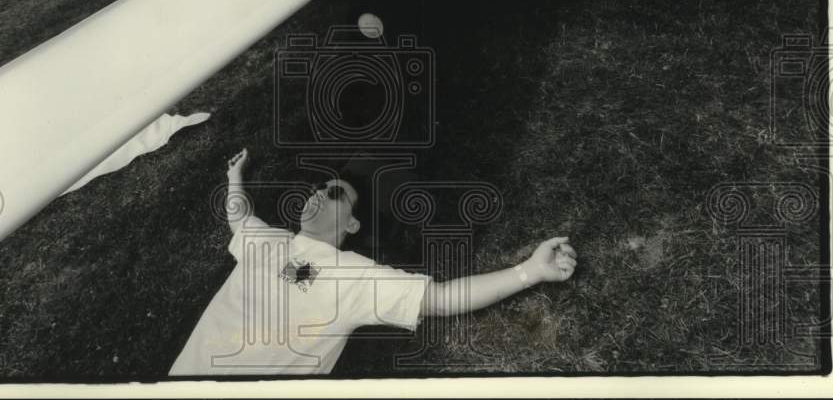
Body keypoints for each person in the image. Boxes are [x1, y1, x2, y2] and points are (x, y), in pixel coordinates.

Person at [168, 148, 578, 376]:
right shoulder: (268, 241)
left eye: (334, 194)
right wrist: (234, 179)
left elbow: (440, 298)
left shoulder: (354, 275)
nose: (317, 193)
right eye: (319, 187)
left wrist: (530, 271)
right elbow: (239, 219)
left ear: (352, 223)